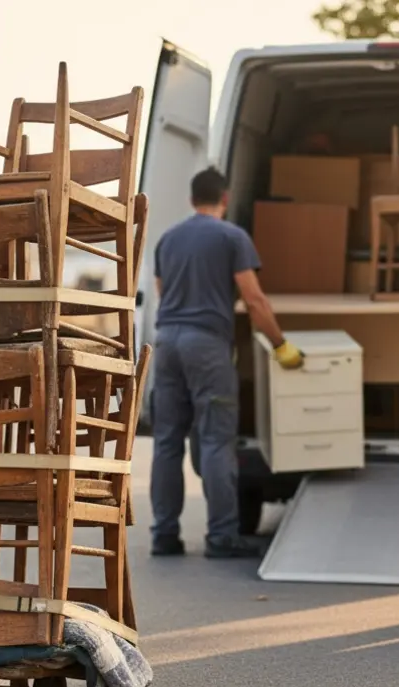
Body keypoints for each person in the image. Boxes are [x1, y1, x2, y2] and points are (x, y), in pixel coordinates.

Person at [149, 167, 304, 558]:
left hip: (166, 343)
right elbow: (254, 300)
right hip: (206, 346)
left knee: (167, 443)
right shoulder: (232, 236)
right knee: (217, 441)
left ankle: (164, 535)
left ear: (191, 200)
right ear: (226, 198)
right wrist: (281, 345)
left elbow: (163, 293)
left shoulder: (168, 240)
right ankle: (221, 536)